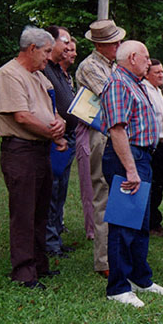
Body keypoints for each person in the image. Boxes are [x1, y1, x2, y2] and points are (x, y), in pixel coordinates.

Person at [0, 26, 67, 289]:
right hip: (20, 151)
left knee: (40, 210)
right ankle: (24, 272)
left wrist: (58, 125)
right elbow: (21, 116)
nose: (49, 57)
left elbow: (52, 108)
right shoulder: (9, 75)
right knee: (23, 212)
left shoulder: (39, 76)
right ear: (32, 49)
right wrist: (52, 132)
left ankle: (39, 264)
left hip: (40, 150)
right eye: (46, 52)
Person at [100, 40, 163, 307]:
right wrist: (130, 169)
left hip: (142, 157)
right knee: (124, 223)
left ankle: (141, 278)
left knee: (140, 223)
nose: (149, 62)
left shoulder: (134, 82)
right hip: (127, 157)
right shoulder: (119, 83)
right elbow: (117, 130)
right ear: (132, 57)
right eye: (146, 57)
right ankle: (118, 287)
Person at [75, 19, 125, 277]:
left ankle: (117, 253)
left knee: (119, 191)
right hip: (99, 132)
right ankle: (104, 260)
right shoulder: (90, 66)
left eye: (117, 40)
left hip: (114, 131)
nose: (118, 45)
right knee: (103, 193)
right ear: (98, 45)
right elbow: (112, 95)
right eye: (112, 42)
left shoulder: (112, 65)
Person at [42, 25, 78, 258]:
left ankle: (56, 236)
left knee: (61, 190)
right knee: (52, 191)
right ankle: (49, 242)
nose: (68, 46)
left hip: (68, 138)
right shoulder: (44, 70)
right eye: (64, 41)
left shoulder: (58, 70)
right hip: (54, 140)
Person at [64, 40, 96, 240]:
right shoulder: (89, 67)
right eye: (68, 49)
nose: (72, 53)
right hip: (87, 128)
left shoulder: (67, 76)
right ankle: (92, 229)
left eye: (74, 50)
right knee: (89, 181)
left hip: (100, 130)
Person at [142, 59, 163, 236]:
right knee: (151, 185)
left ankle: (155, 221)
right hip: (152, 145)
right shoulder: (145, 90)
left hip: (162, 144)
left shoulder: (159, 91)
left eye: (162, 72)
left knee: (159, 184)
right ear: (147, 74)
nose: (161, 75)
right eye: (157, 72)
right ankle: (149, 223)